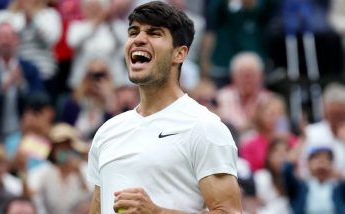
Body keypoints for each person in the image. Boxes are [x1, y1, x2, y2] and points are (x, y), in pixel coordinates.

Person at [88, 1, 241, 213]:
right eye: (133, 32)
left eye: (154, 33)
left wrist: (157, 212)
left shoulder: (204, 127)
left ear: (180, 54)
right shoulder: (107, 132)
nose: (138, 39)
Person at [216, 52, 272, 136]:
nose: (247, 80)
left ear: (261, 76)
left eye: (251, 75)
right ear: (233, 76)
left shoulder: (269, 100)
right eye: (243, 75)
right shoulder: (221, 97)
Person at [283, 145, 345, 214]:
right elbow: (286, 172)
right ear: (308, 163)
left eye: (327, 159)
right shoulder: (300, 187)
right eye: (317, 158)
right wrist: (292, 157)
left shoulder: (339, 188)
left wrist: (339, 175)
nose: (322, 161)